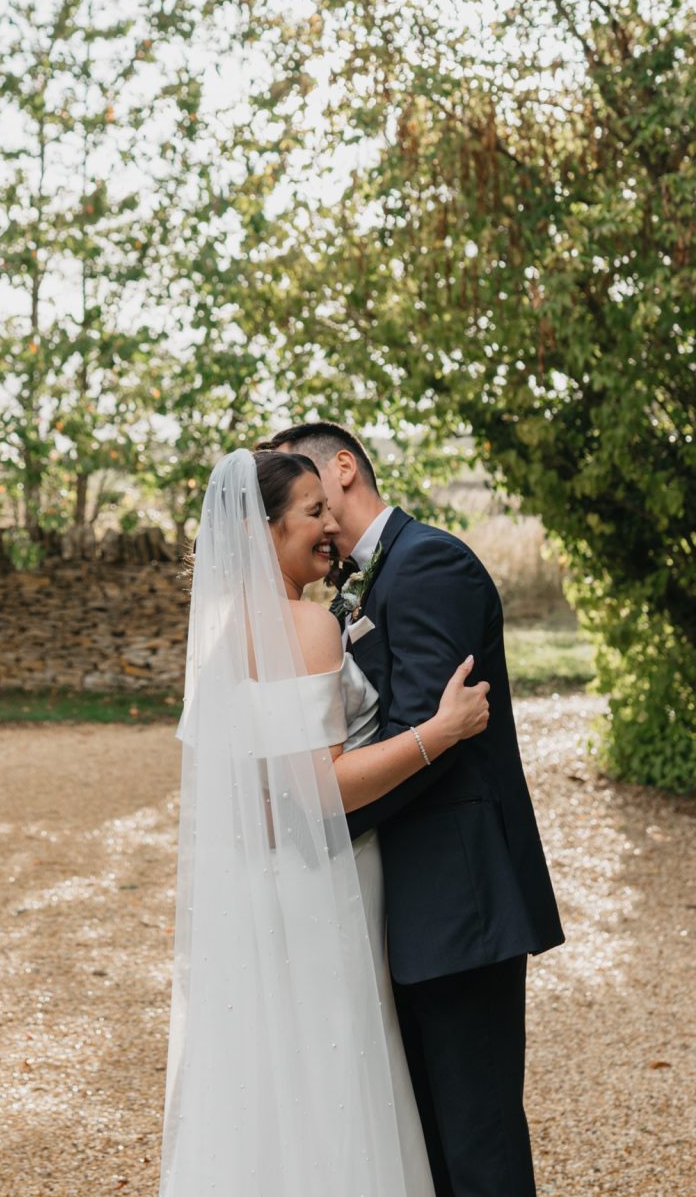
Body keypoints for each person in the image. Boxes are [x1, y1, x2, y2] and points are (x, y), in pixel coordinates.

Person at [160, 449, 494, 1197]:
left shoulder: (218, 642)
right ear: (264, 530)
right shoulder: (305, 626)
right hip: (318, 889)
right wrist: (438, 731)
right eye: (311, 512)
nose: (328, 524)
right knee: (334, 1072)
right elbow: (316, 792)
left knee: (270, 1082)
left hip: (257, 889)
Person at [267, 421, 565, 1197]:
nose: (307, 512)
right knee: (429, 1145)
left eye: (306, 483)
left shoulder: (430, 562)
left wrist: (321, 817)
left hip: (459, 903)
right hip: (403, 906)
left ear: (342, 466)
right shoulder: (359, 583)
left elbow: (431, 740)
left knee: (481, 1144)